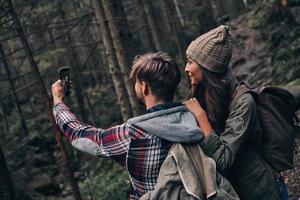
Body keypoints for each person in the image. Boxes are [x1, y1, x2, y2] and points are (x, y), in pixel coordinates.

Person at [51, 52, 205, 200]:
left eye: (137, 82)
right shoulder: (196, 118)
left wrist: (58, 102)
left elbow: (80, 136)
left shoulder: (134, 133)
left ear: (144, 87)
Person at [183, 25, 289, 200]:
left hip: (263, 192)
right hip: (236, 192)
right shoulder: (204, 93)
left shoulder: (243, 103)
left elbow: (223, 158)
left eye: (190, 62)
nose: (186, 68)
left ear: (207, 67)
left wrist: (201, 118)